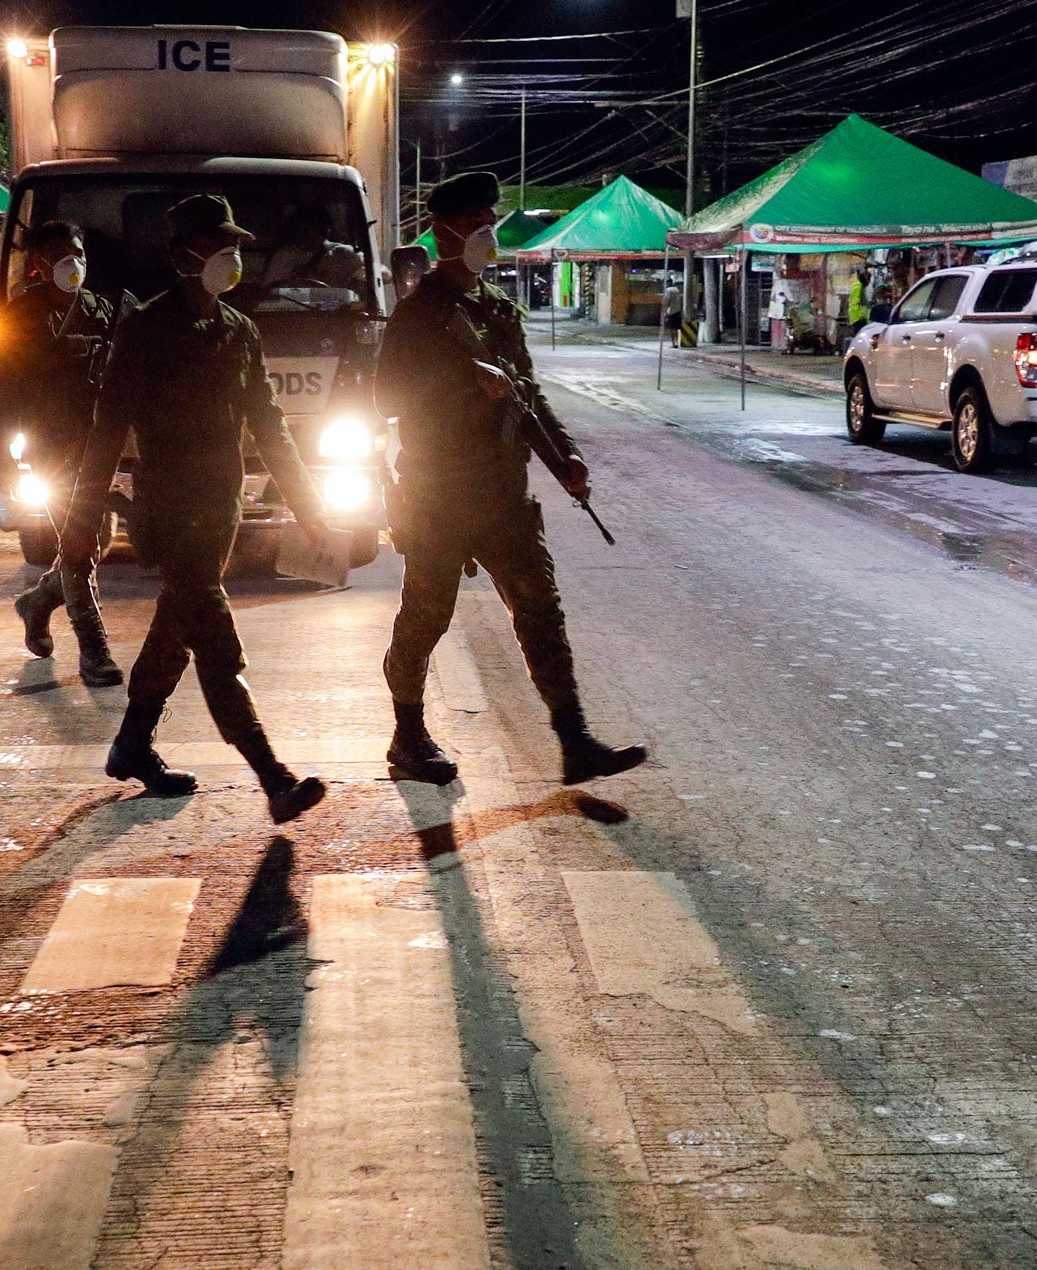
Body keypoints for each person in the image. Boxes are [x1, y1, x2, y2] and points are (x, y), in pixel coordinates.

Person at [60, 194, 331, 824]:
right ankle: (274, 779)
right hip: (169, 514)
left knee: (174, 633)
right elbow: (107, 430)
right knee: (216, 642)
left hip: (220, 513)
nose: (232, 258)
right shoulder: (145, 329)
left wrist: (308, 505)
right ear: (184, 255)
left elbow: (270, 424)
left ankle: (131, 744)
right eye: (219, 246)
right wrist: (80, 518)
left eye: (234, 244)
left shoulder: (240, 330)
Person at [373, 170, 646, 788]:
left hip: (501, 495)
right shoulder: (418, 315)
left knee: (539, 610)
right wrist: (461, 377)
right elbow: (385, 397)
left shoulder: (498, 310)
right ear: (443, 235)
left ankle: (574, 741)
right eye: (473, 225)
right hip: (437, 495)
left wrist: (565, 459)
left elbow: (527, 397)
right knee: (426, 617)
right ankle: (407, 734)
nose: (485, 235)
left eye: (488, 224)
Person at [0, 221, 123, 686]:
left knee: (92, 543)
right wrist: (5, 458)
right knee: (77, 545)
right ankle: (94, 650)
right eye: (60, 253)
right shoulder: (17, 318)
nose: (74, 262)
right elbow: (3, 393)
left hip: (98, 445)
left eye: (78, 251)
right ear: (38, 264)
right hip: (49, 448)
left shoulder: (102, 310)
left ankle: (38, 601)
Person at [260, 203, 364, 293]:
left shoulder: (343, 254)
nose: (304, 237)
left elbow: (369, 270)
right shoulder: (284, 256)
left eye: (310, 232)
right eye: (300, 231)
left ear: (324, 232)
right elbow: (269, 291)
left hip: (336, 312)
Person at [847, 265, 873, 337]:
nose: (869, 282)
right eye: (869, 279)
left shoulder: (859, 286)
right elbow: (855, 303)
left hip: (858, 317)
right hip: (858, 317)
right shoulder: (858, 287)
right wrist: (861, 316)